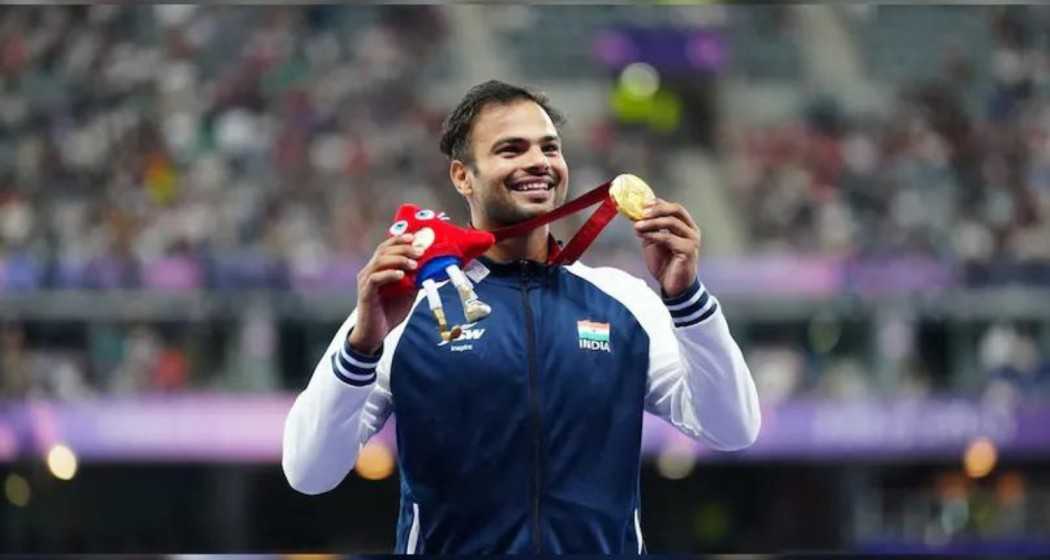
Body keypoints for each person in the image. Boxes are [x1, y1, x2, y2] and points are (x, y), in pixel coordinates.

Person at [282, 80, 761, 554]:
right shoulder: (408, 306)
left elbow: (732, 427)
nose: (538, 162)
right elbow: (309, 472)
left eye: (549, 148)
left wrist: (687, 300)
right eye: (511, 149)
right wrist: (361, 348)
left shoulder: (624, 301)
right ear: (462, 176)